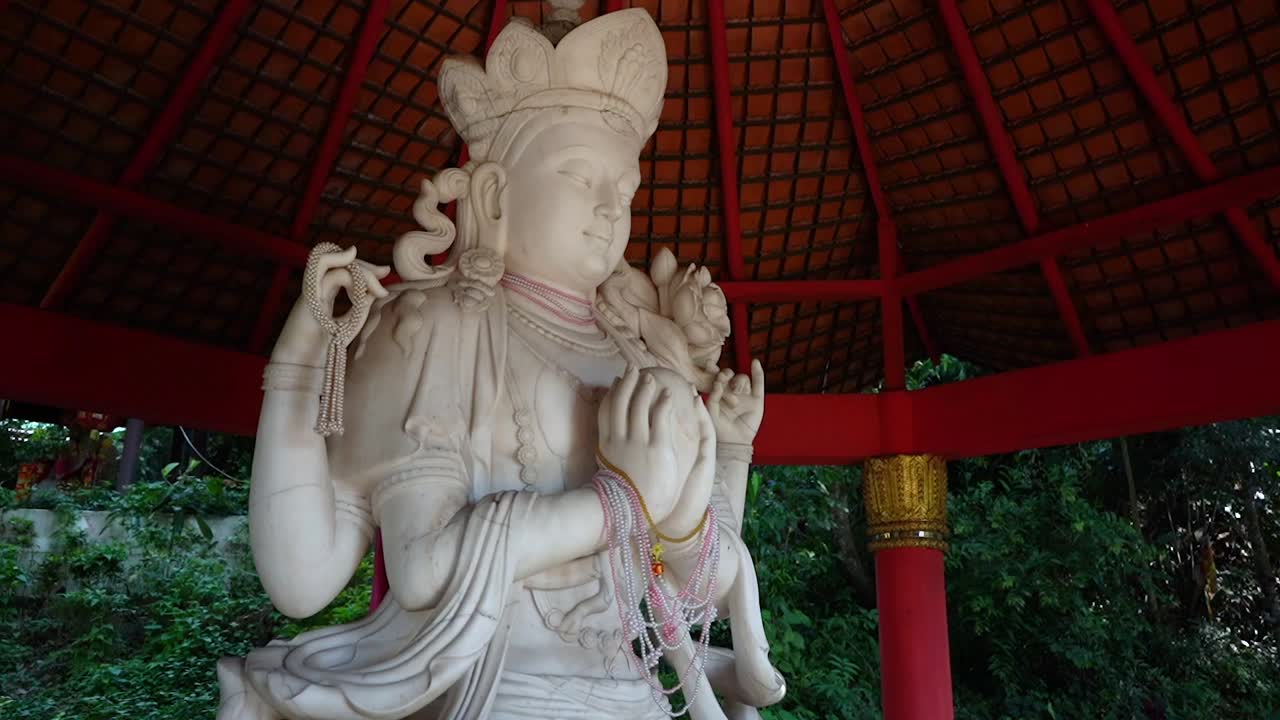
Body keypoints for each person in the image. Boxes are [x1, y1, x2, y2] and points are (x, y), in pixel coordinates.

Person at [217, 9, 782, 719]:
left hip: (635, 698)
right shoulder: (438, 328)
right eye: (581, 176)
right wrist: (300, 368)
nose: (612, 207)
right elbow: (361, 575)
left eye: (626, 188)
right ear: (492, 194)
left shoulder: (641, 358)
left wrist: (717, 463)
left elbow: (695, 581)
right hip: (497, 697)